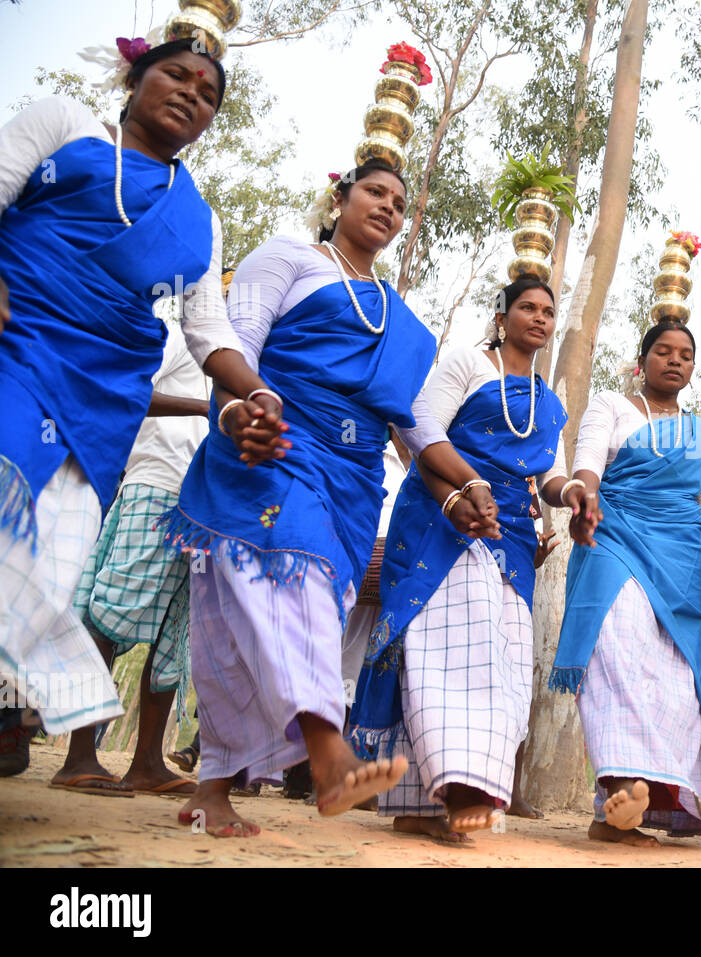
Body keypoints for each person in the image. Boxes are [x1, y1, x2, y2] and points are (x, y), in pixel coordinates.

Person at [0, 36, 282, 739]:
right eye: (176, 75)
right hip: (16, 344)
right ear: (135, 77)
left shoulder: (199, 216)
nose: (192, 93)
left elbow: (208, 329)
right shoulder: (63, 121)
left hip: (104, 401)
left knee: (54, 557)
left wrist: (253, 393)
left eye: (208, 92)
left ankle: (8, 711)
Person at [161, 160, 449, 836]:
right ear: (339, 198)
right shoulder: (287, 257)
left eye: (399, 202)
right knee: (298, 579)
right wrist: (237, 417)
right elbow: (234, 344)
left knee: (238, 624)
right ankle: (328, 753)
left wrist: (461, 485)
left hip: (352, 481)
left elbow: (413, 420)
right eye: (374, 191)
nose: (387, 206)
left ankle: (214, 786)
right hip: (269, 443)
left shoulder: (399, 317)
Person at [349, 277, 568, 838]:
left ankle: (438, 797)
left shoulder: (551, 402)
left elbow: (552, 477)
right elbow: (419, 425)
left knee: (508, 661)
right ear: (503, 315)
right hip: (442, 520)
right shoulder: (469, 363)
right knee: (443, 652)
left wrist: (574, 499)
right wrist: (465, 486)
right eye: (527, 307)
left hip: (511, 538)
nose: (539, 318)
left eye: (548, 310)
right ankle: (440, 795)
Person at [550, 319, 701, 846]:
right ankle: (624, 782)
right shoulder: (613, 405)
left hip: (686, 559)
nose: (675, 360)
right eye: (664, 351)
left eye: (685, 354)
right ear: (641, 358)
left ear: (693, 367)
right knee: (618, 656)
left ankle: (620, 811)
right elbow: (586, 466)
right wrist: (585, 499)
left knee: (674, 678)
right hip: (614, 534)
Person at [50, 304, 210, 797]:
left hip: (200, 498)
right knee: (108, 615)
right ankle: (78, 756)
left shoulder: (226, 353)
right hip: (155, 483)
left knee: (171, 633)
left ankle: (147, 763)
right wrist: (207, 408)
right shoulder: (174, 329)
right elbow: (129, 392)